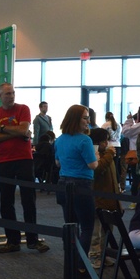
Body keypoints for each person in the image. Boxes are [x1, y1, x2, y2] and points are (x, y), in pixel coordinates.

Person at [0, 83, 49, 254]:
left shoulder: (23, 109)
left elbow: (24, 130)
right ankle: (12, 241)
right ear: (0, 96)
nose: (11, 96)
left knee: (28, 200)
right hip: (3, 161)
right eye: (7, 94)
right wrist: (18, 133)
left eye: (13, 93)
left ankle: (32, 240)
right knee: (6, 203)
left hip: (24, 160)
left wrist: (3, 129)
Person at [53, 105, 99, 266]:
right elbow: (93, 165)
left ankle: (70, 262)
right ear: (76, 120)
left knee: (71, 226)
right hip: (81, 185)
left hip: (63, 184)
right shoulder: (85, 140)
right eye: (85, 118)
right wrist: (98, 156)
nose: (89, 121)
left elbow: (58, 163)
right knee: (87, 227)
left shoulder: (60, 139)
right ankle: (80, 265)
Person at [87, 128, 119, 267]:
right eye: (104, 140)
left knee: (108, 230)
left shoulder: (107, 154)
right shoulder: (94, 154)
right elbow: (98, 169)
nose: (107, 143)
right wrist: (110, 154)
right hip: (97, 198)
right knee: (96, 231)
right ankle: (94, 256)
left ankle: (104, 254)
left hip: (110, 197)